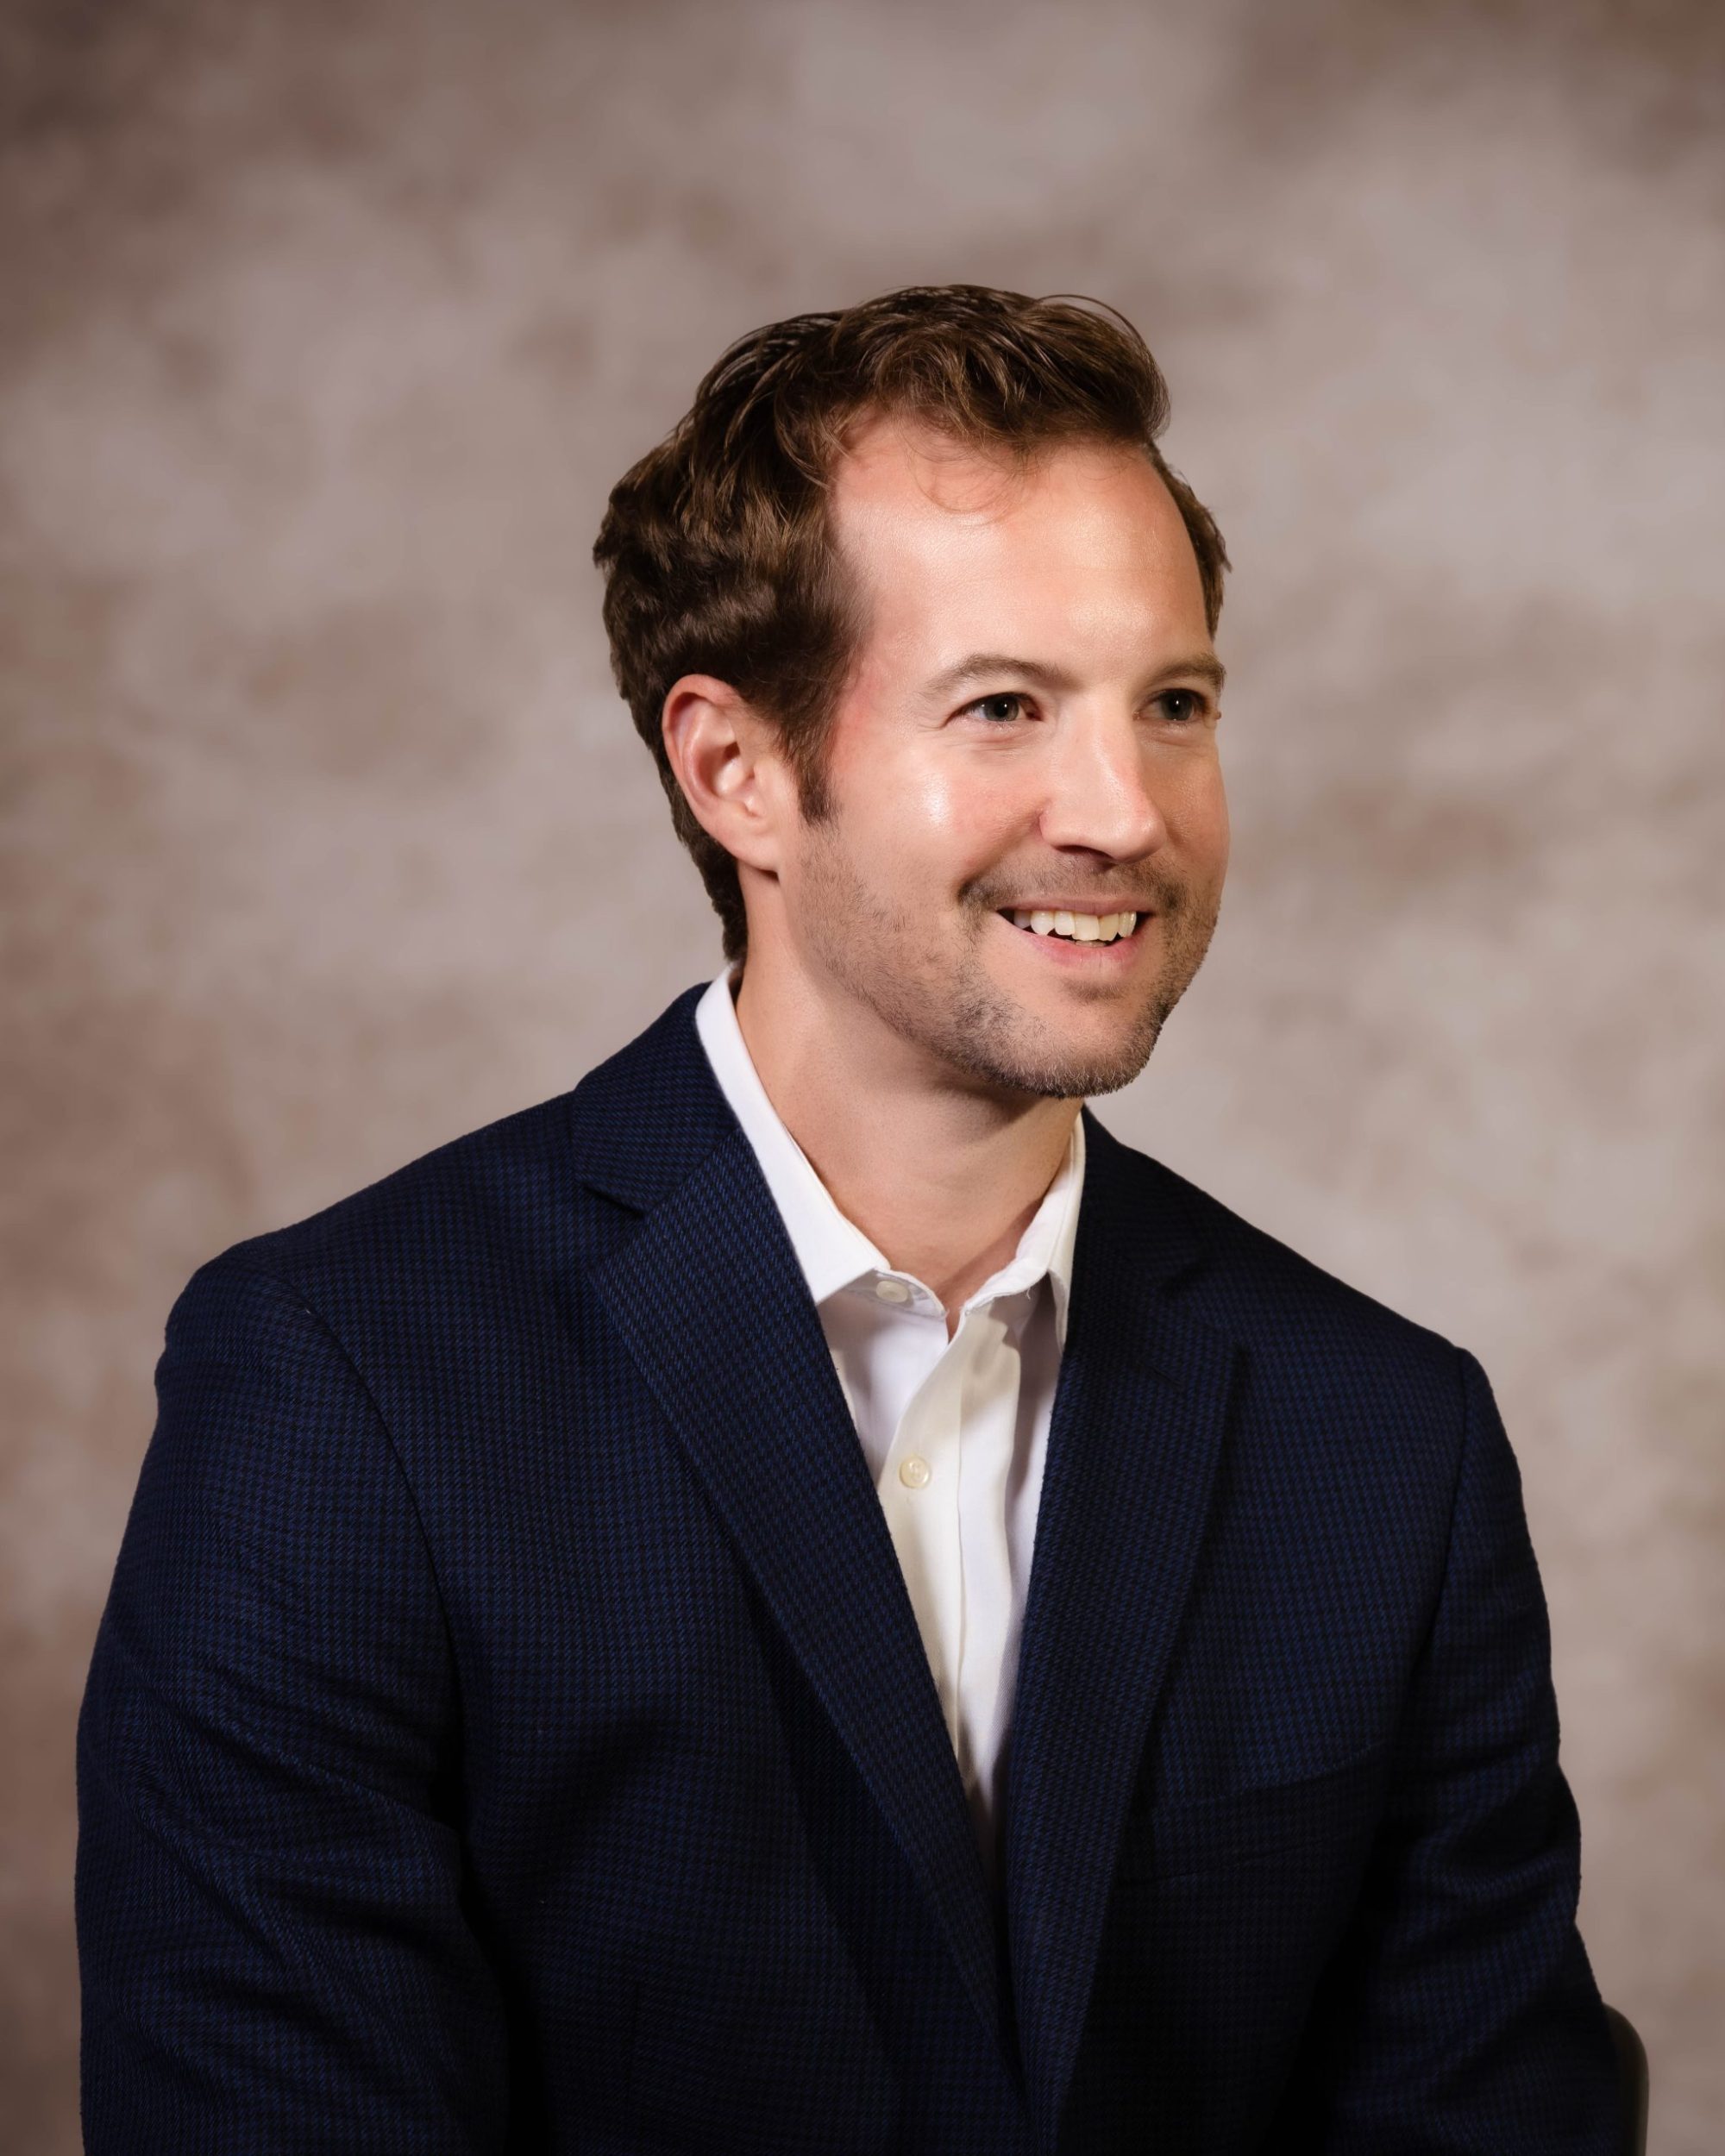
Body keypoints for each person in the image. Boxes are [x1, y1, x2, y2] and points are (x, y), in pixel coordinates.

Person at [76, 285, 1623, 2153]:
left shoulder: (1387, 1434)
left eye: (1175, 703)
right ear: (734, 769)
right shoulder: (344, 1385)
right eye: (1002, 708)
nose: (1125, 810)